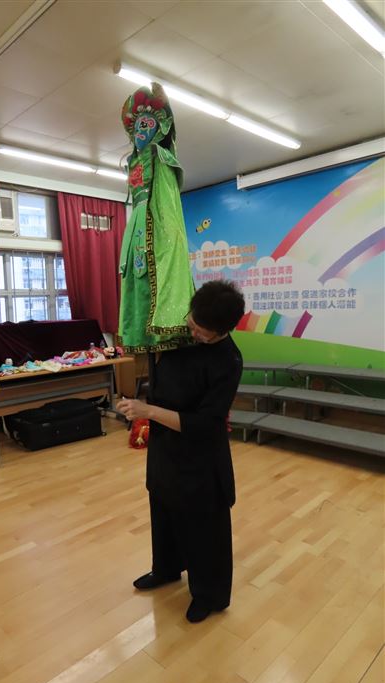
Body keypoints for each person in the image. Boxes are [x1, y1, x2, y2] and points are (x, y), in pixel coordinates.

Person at [117, 280, 245, 623]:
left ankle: (209, 594)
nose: (193, 332)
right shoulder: (179, 336)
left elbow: (205, 424)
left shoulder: (228, 360)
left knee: (204, 527)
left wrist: (148, 411)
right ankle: (166, 569)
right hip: (165, 445)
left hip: (201, 454)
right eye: (192, 323)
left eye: (202, 331)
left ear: (223, 330)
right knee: (162, 506)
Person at [118, 82, 194, 352]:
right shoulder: (133, 162)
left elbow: (165, 200)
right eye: (138, 125)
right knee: (137, 277)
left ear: (158, 129)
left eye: (148, 125)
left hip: (156, 221)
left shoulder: (160, 157)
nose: (142, 131)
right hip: (137, 226)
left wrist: (166, 236)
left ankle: (164, 328)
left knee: (158, 272)